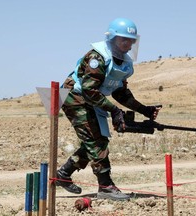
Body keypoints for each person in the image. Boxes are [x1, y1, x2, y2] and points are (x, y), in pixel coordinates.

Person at [56, 17, 161, 201]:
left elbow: (121, 93)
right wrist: (114, 111)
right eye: (124, 39)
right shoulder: (97, 57)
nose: (128, 44)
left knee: (98, 140)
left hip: (93, 99)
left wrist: (144, 110)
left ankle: (64, 174)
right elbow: (89, 90)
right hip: (75, 97)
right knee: (96, 142)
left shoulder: (125, 64)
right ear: (112, 39)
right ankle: (105, 186)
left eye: (131, 40)